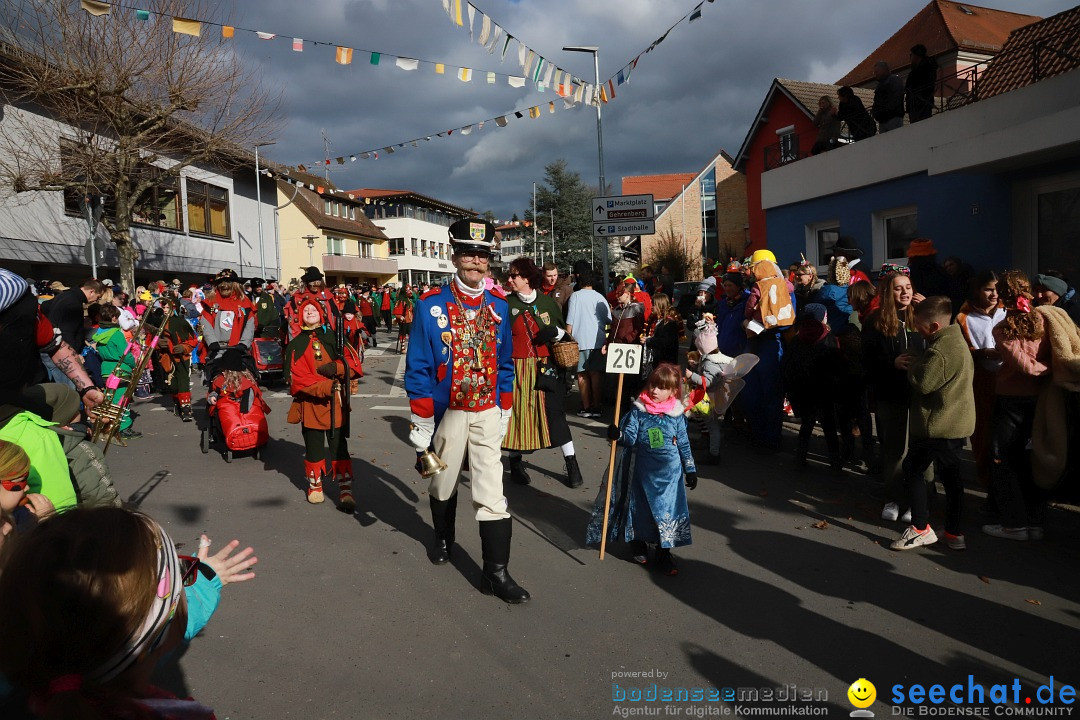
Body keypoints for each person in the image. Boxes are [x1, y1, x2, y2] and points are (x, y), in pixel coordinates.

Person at [0, 506, 256, 720]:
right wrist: (204, 581)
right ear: (156, 638)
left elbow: (158, 617)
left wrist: (198, 578)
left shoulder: (31, 688)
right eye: (183, 575)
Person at [404, 218, 528, 603]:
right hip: (449, 412)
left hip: (487, 410)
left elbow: (505, 362)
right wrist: (422, 417)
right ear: (454, 257)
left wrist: (504, 407)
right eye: (469, 255)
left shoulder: (498, 306)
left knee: (493, 491)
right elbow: (419, 364)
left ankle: (496, 573)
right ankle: (443, 537)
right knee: (442, 482)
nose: (476, 261)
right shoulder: (430, 305)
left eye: (482, 256)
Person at [587, 364, 697, 576]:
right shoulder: (639, 412)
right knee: (642, 510)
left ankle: (665, 552)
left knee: (667, 512)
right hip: (644, 473)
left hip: (670, 476)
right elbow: (629, 438)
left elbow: (683, 443)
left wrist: (690, 468)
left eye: (662, 387)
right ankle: (638, 542)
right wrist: (617, 435)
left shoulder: (677, 415)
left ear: (673, 391)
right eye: (653, 385)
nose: (655, 391)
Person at [891, 296, 975, 551]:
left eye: (919, 325)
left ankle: (919, 528)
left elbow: (924, 383)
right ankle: (953, 532)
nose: (916, 329)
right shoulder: (955, 339)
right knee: (952, 479)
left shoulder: (940, 350)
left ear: (935, 327)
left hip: (938, 425)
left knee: (913, 469)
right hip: (956, 423)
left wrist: (912, 364)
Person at [501, 257, 582, 489]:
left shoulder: (546, 304)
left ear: (526, 278)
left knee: (555, 415)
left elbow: (564, 337)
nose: (509, 279)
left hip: (545, 368)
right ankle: (515, 463)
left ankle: (572, 463)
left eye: (513, 275)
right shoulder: (506, 304)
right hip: (517, 369)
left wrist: (554, 332)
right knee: (516, 418)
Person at [983, 271, 1050, 541]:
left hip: (1012, 400)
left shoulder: (1002, 328)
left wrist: (1045, 369)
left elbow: (1026, 366)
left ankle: (1014, 523)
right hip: (1042, 399)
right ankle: (1034, 521)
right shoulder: (1043, 319)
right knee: (1031, 458)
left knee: (1003, 457)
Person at [862, 267, 928, 522]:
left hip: (920, 393)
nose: (905, 292)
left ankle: (917, 501)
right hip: (890, 393)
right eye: (898, 288)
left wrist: (928, 309)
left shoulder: (920, 317)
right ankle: (894, 497)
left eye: (908, 287)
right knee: (893, 449)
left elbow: (941, 342)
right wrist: (891, 362)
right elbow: (866, 360)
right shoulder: (875, 320)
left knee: (919, 448)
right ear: (888, 292)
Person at [284, 299, 356, 512]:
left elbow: (353, 363)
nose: (309, 311)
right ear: (300, 316)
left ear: (321, 313)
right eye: (305, 310)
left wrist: (338, 367)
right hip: (311, 404)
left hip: (337, 402)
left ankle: (345, 489)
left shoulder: (334, 337)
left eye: (313, 308)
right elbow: (296, 378)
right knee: (313, 445)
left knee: (338, 445)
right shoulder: (296, 344)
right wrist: (324, 386)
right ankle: (315, 486)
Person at [742, 249, 795, 452]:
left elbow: (787, 320)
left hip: (769, 344)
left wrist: (754, 324)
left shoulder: (763, 288)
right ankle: (763, 436)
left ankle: (768, 439)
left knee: (769, 395)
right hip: (766, 345)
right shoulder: (786, 287)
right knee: (759, 394)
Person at [955, 271, 1005, 487]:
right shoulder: (963, 317)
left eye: (997, 289)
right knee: (982, 428)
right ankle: (986, 474)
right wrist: (980, 352)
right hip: (980, 379)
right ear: (977, 291)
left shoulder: (1007, 311)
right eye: (988, 289)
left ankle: (1006, 474)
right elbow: (960, 350)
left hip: (1009, 376)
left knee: (1006, 430)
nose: (994, 294)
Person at [782, 303, 846, 472]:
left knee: (807, 424)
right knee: (829, 427)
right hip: (825, 390)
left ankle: (800, 458)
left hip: (804, 390)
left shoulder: (797, 338)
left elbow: (788, 364)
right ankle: (835, 464)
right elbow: (837, 364)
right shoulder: (829, 337)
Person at [565, 271, 611, 419]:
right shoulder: (600, 297)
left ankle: (586, 407)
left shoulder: (576, 296)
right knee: (596, 374)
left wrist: (567, 339)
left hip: (580, 340)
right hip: (597, 340)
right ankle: (597, 406)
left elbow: (570, 321)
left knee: (582, 375)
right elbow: (608, 319)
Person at [92, 304, 141, 440]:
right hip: (121, 369)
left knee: (110, 400)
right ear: (114, 318)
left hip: (106, 369)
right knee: (122, 400)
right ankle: (123, 427)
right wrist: (134, 365)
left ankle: (107, 425)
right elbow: (125, 354)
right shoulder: (116, 334)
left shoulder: (99, 333)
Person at [199, 269, 256, 370]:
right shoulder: (211, 302)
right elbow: (205, 324)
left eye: (228, 282)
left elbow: (250, 326)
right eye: (221, 282)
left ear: (235, 284)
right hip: (217, 349)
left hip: (238, 350)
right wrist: (212, 342)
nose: (224, 285)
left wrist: (244, 343)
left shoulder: (245, 304)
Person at [156, 298, 199, 422]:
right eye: (163, 307)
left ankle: (186, 410)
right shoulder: (159, 322)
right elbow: (151, 340)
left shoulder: (182, 322)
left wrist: (183, 347)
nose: (164, 310)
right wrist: (159, 343)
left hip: (182, 358)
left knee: (183, 383)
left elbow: (193, 340)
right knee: (173, 386)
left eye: (167, 307)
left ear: (174, 308)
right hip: (167, 358)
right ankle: (177, 403)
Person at [643, 293, 681, 368]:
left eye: (653, 305)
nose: (651, 307)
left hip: (665, 364)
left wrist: (648, 341)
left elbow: (666, 342)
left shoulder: (670, 323)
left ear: (660, 306)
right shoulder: (654, 320)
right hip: (654, 361)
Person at [905, 44, 938, 123]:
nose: (910, 57)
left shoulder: (923, 69)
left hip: (920, 103)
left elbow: (921, 85)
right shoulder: (927, 67)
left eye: (911, 55)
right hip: (917, 103)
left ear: (917, 55)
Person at [871, 61, 904, 133]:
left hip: (893, 117)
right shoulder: (880, 85)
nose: (875, 74)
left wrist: (884, 111)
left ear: (884, 70)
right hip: (883, 119)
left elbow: (896, 98)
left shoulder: (894, 80)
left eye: (876, 72)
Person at [393, 285, 416, 354]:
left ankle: (412, 347)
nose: (409, 292)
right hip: (404, 320)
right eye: (408, 291)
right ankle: (402, 347)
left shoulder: (409, 300)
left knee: (411, 334)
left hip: (410, 319)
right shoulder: (400, 301)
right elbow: (396, 311)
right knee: (403, 334)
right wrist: (399, 316)